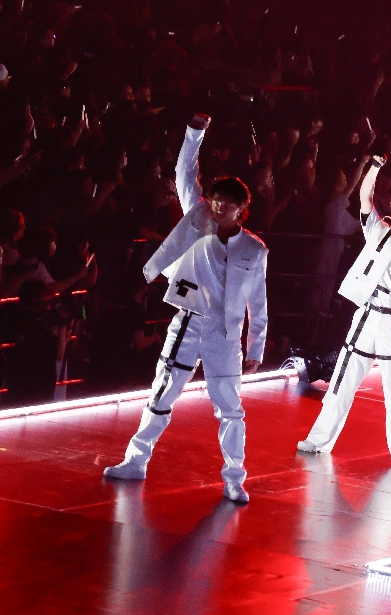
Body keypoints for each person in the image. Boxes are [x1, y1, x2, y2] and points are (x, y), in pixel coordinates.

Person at [104, 116, 268, 504]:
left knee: (230, 409)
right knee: (161, 394)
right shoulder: (196, 219)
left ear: (242, 209)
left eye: (228, 205)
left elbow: (258, 303)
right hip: (188, 324)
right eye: (215, 202)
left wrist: (257, 348)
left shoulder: (255, 250)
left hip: (226, 337)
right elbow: (184, 173)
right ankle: (136, 459)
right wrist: (194, 133)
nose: (219, 209)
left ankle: (234, 478)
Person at [298, 157, 391, 470]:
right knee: (341, 381)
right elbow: (364, 198)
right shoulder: (379, 233)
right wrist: (374, 167)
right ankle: (319, 440)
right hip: (366, 316)